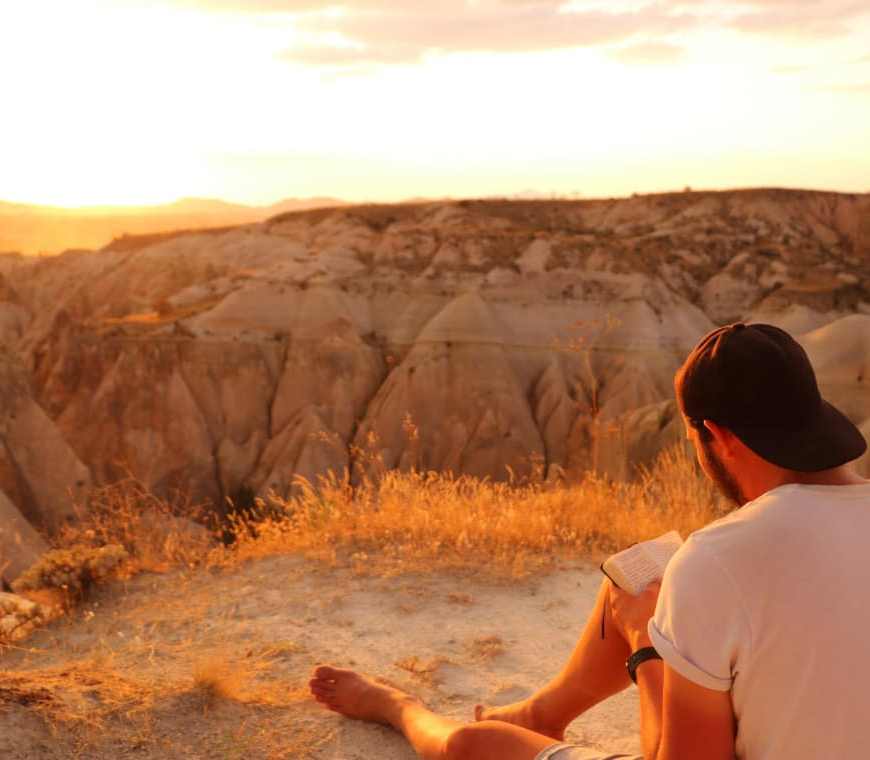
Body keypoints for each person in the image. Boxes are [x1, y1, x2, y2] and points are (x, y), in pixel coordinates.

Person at [309, 323, 869, 760]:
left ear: (717, 437)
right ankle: (538, 717)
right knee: (642, 576)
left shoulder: (719, 560)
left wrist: (644, 646)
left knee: (473, 749)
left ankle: (393, 705)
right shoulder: (724, 561)